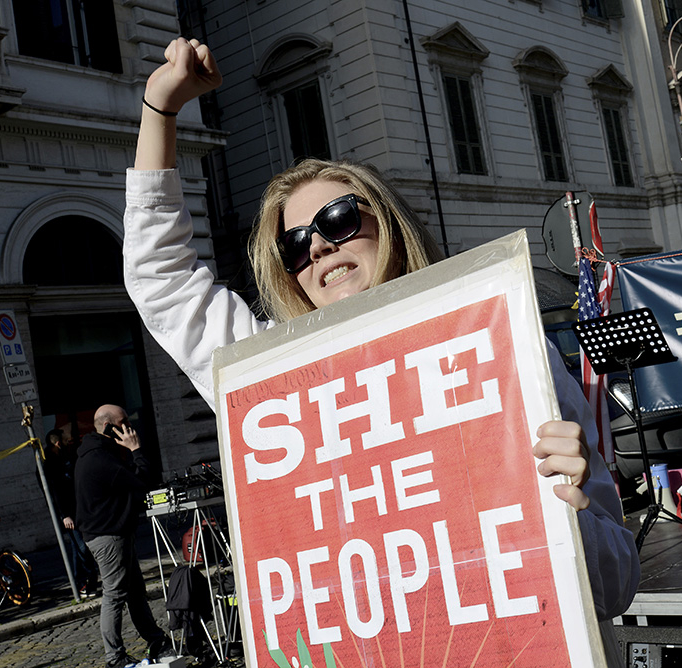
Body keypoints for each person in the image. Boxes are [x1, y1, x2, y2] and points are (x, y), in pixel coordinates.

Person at [123, 37, 638, 662]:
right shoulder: (273, 380)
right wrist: (160, 108)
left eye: (338, 220)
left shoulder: (501, 345)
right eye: (295, 245)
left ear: (385, 221)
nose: (317, 248)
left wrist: (575, 505)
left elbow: (615, 589)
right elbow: (163, 280)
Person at [74, 405, 170, 668]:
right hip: (108, 536)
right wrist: (136, 449)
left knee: (136, 592)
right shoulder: (100, 458)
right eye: (123, 422)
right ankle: (114, 658)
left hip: (113, 532)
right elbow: (144, 481)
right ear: (108, 427)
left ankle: (156, 640)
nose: (129, 427)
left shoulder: (97, 452)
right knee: (115, 594)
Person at [40, 427, 98, 597]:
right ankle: (89, 580)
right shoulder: (50, 463)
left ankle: (80, 582)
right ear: (58, 443)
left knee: (76, 547)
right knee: (82, 546)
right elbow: (55, 492)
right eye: (65, 440)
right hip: (67, 513)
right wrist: (65, 515)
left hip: (73, 510)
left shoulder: (63, 457)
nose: (68, 442)